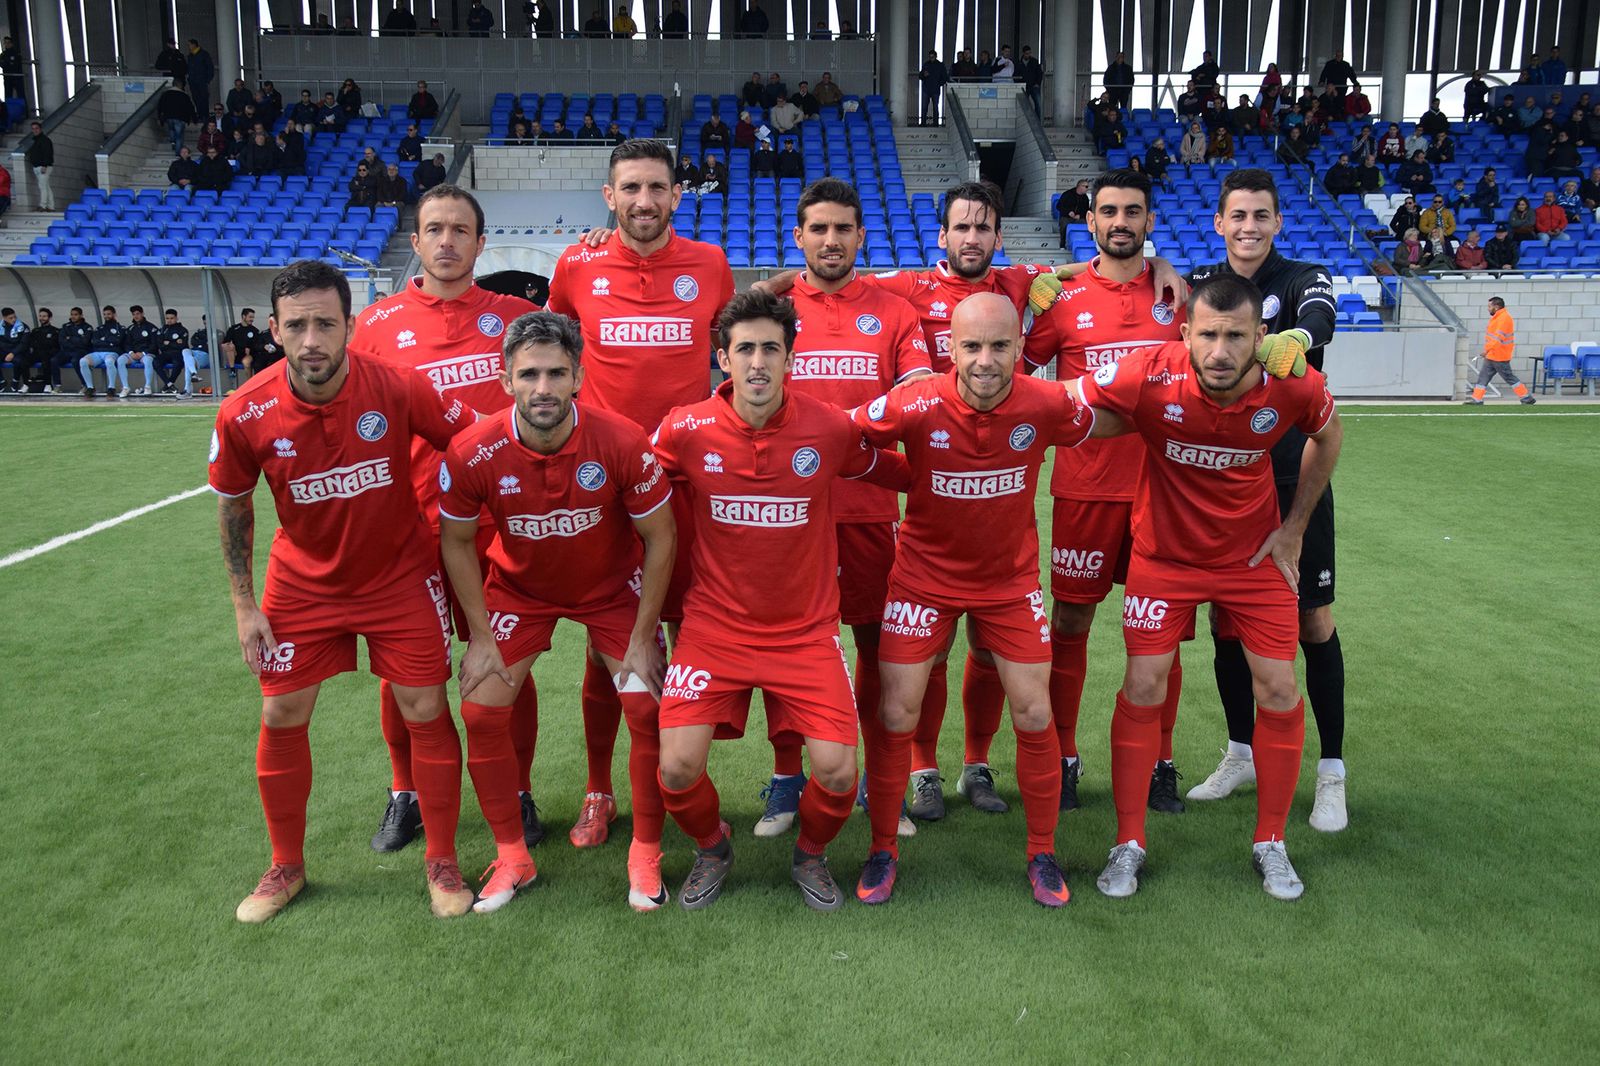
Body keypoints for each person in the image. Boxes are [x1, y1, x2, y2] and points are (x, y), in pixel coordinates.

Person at [210, 260, 484, 924]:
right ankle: (285, 866)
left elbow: (474, 443)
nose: (312, 340)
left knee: (425, 706)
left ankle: (441, 860)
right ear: (273, 330)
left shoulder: (396, 385)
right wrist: (245, 604)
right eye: (297, 325)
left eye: (325, 323)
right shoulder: (245, 410)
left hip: (398, 574)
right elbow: (235, 506)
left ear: (350, 327)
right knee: (281, 715)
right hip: (303, 584)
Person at [1068, 275, 1342, 901]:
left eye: (1236, 337)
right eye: (1209, 335)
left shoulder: (1294, 382)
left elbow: (1329, 436)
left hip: (1251, 558)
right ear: (1185, 333)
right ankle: (1128, 841)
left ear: (1260, 337)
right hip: (1164, 558)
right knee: (1143, 682)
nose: (1220, 351)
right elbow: (1063, 401)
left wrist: (1294, 529)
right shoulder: (1149, 372)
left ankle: (1270, 841)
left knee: (1278, 686)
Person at [851, 291, 1092, 908]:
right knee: (897, 714)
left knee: (1034, 713)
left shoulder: (1047, 402)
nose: (985, 361)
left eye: (1000, 346)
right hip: (922, 580)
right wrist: (900, 476)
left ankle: (1042, 851)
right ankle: (883, 846)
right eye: (972, 347)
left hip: (1009, 584)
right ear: (949, 349)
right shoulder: (914, 400)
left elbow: (1112, 415)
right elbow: (848, 437)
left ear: (1020, 349)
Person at [439, 309, 674, 910]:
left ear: (578, 377)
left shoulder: (620, 441)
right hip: (522, 591)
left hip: (610, 588)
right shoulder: (471, 450)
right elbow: (458, 541)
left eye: (556, 374)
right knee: (482, 706)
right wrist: (482, 638)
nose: (542, 388)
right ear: (504, 379)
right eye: (529, 375)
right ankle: (512, 856)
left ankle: (645, 853)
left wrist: (646, 634)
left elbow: (661, 537)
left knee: (645, 702)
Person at [546, 139, 734, 847]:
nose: (644, 201)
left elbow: (734, 342)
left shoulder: (710, 265)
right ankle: (601, 791)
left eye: (657, 187)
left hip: (687, 482)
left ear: (677, 195)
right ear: (609, 196)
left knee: (690, 636)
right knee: (609, 643)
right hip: (602, 485)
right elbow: (556, 352)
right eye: (631, 188)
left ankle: (679, 782)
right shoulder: (577, 264)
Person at [346, 184, 545, 851]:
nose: (448, 241)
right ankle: (403, 791)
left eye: (461, 230)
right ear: (417, 240)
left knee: (509, 664)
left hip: (499, 527)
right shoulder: (374, 326)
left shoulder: (517, 318)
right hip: (411, 527)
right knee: (408, 669)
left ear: (481, 242)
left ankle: (517, 789)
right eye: (435, 229)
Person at [751, 179, 932, 837]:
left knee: (877, 644)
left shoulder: (893, 312)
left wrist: (844, 428)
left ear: (861, 236)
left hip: (869, 506)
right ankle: (788, 777)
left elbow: (916, 391)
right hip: (784, 514)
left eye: (842, 229)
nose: (830, 241)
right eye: (818, 229)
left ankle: (874, 786)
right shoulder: (769, 311)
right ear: (798, 237)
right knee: (787, 643)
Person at [1184, 170, 1348, 834]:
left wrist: (1297, 343)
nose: (1249, 226)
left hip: (1292, 483)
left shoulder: (1303, 276)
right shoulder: (1201, 287)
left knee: (1312, 624)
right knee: (1230, 625)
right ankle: (1240, 754)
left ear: (1278, 222)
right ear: (1218, 223)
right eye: (1238, 216)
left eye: (1262, 216)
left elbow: (1320, 316)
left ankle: (1331, 771)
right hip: (1222, 486)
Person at [1034, 169, 1190, 813]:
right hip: (1085, 488)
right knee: (1070, 623)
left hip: (1165, 490)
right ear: (1090, 221)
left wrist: (1172, 270)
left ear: (1149, 221)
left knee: (1157, 633)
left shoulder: (1178, 298)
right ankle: (1065, 757)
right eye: (1108, 212)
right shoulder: (1062, 300)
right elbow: (1019, 375)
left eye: (1133, 211)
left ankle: (1160, 762)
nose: (1120, 221)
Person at [1465, 296, 1535, 406]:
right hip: (1493, 355)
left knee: (1508, 377)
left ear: (1496, 307)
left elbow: (1497, 338)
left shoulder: (1503, 318)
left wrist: (1486, 351)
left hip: (1499, 355)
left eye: (1489, 306)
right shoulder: (1499, 317)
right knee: (1484, 377)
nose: (1488, 309)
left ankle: (1526, 397)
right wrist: (1488, 351)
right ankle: (1476, 398)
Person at [80, 305, 125, 397]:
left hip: (112, 352)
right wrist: (108, 341)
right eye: (104, 314)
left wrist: (103, 340)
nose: (106, 316)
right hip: (98, 353)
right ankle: (90, 387)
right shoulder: (100, 328)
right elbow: (94, 342)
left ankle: (111, 387)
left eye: (109, 314)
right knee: (83, 361)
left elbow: (118, 341)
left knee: (109, 361)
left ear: (114, 314)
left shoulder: (120, 328)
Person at [158, 79, 198, 155]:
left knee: (171, 130)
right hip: (180, 117)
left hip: (169, 116)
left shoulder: (165, 94)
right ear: (180, 85)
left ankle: (173, 142)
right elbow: (190, 108)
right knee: (179, 136)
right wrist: (194, 119)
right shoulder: (184, 95)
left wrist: (160, 118)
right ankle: (178, 152)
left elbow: (160, 106)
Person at [56, 307, 92, 392]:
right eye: (72, 314)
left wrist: (70, 338)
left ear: (81, 315)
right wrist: (76, 339)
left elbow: (85, 342)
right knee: (54, 360)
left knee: (76, 361)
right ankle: (57, 385)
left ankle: (85, 384)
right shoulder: (66, 326)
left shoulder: (87, 327)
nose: (73, 317)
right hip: (67, 351)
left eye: (76, 315)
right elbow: (61, 340)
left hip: (81, 351)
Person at [154, 308, 189, 393]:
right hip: (165, 353)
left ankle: (168, 384)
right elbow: (160, 345)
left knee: (178, 363)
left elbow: (182, 346)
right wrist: (174, 343)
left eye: (172, 318)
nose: (169, 320)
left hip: (177, 353)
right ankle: (169, 384)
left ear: (176, 318)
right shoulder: (162, 330)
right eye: (167, 318)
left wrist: (168, 343)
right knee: (155, 362)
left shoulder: (182, 330)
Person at [25, 308, 59, 392]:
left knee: (46, 360)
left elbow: (54, 345)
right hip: (37, 353)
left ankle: (48, 384)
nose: (41, 318)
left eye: (44, 316)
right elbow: (31, 343)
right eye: (40, 316)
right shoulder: (35, 331)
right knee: (23, 361)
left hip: (49, 353)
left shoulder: (55, 331)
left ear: (50, 318)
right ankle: (26, 384)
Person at [179, 314, 212, 397]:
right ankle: (194, 374)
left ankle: (187, 390)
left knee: (188, 362)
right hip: (194, 352)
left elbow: (211, 344)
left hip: (205, 355)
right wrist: (203, 343)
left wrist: (201, 342)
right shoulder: (200, 332)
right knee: (185, 350)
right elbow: (193, 341)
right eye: (205, 322)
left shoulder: (216, 332)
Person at [26, 121, 54, 211]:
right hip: (38, 166)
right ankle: (51, 206)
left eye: (36, 128)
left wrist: (44, 165)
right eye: (33, 129)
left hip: (43, 166)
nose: (35, 130)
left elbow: (47, 153)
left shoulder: (45, 140)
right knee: (46, 186)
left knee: (42, 186)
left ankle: (43, 205)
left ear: (40, 129)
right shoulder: (36, 140)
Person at [0, 307, 29, 393]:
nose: (13, 319)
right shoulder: (1, 327)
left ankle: (15, 380)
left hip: (17, 351)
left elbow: (24, 343)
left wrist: (13, 353)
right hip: (4, 351)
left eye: (14, 317)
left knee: (19, 361)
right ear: (4, 318)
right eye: (10, 318)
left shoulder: (23, 327)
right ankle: (1, 381)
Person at [186, 39, 214, 119]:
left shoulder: (204, 54)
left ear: (194, 45)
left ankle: (205, 115)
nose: (189, 47)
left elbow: (210, 67)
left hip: (202, 80)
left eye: (189, 45)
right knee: (196, 98)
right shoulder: (190, 56)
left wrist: (207, 80)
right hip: (193, 81)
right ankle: (200, 114)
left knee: (203, 98)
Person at [1056, 179, 1089, 246]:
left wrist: (1080, 215)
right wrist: (1068, 212)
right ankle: (1062, 244)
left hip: (1078, 218)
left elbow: (1086, 210)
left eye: (1087, 187)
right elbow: (1059, 206)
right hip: (1066, 217)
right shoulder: (1067, 194)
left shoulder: (1085, 198)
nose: (1087, 188)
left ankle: (1084, 243)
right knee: (1064, 225)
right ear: (1079, 186)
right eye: (1085, 186)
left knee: (1086, 225)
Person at [919, 50, 948, 126]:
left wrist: (938, 84)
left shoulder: (939, 65)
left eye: (932, 57)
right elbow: (920, 75)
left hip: (933, 89)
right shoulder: (927, 64)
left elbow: (945, 77)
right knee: (925, 107)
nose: (931, 58)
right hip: (928, 89)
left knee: (934, 107)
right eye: (930, 57)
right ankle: (923, 123)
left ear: (935, 56)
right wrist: (923, 75)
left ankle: (935, 123)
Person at [1019, 46, 1045, 115]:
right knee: (1023, 105)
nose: (1028, 55)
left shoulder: (1034, 61)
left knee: (1038, 104)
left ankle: (1038, 122)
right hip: (1023, 86)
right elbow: (1017, 74)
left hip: (1034, 86)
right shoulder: (1019, 63)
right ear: (1023, 53)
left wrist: (1037, 83)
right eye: (1027, 53)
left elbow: (1039, 73)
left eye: (1029, 53)